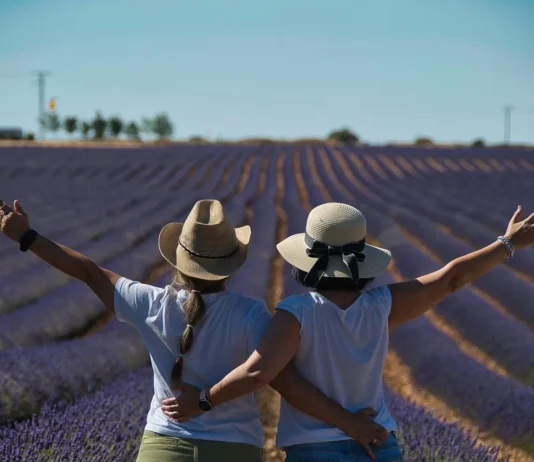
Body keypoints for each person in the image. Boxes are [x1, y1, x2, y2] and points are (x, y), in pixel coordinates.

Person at [0, 198, 388, 462]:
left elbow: (86, 270)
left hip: (164, 446)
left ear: (178, 258)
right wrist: (347, 418)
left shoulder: (150, 303)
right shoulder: (251, 314)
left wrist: (27, 237)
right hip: (234, 449)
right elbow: (276, 376)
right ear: (232, 264)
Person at [163, 202, 534, 462]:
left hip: (315, 450)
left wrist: (204, 400)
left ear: (306, 259)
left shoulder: (295, 313)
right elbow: (450, 278)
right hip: (379, 444)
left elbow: (263, 373)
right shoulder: (382, 305)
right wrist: (507, 244)